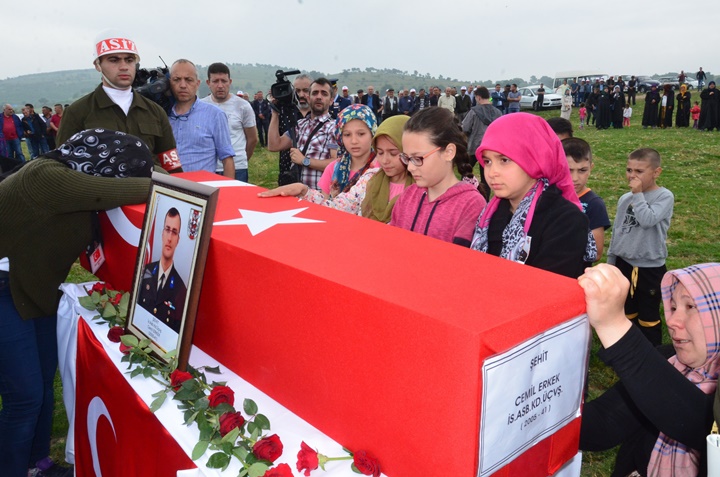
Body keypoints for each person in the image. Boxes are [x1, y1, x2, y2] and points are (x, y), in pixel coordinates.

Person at [0, 129, 154, 477]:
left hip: (30, 289)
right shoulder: (48, 177)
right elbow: (130, 190)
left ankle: (36, 464)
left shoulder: (74, 176)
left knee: (39, 386)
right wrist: (189, 189)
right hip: (5, 290)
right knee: (24, 397)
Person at [579, 262, 720, 477]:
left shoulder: (657, 374)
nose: (672, 321)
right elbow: (604, 425)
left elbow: (699, 423)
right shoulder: (668, 360)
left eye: (690, 307)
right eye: (672, 308)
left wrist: (614, 325)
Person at [470, 113, 594, 279]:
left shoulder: (566, 221)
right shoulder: (492, 214)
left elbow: (550, 291)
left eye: (504, 160)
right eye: (487, 161)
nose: (492, 173)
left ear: (534, 158)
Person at [57, 31, 181, 173]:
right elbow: (64, 166)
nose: (124, 66)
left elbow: (171, 162)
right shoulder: (77, 112)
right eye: (114, 60)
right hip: (100, 193)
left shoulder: (155, 111)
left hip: (149, 192)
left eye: (129, 60)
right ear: (98, 65)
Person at [259, 114, 414, 223]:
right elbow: (338, 207)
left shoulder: (421, 187)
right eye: (380, 152)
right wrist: (303, 191)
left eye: (394, 153)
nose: (385, 160)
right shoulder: (371, 178)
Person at [389, 107, 486, 247]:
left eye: (417, 158)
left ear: (448, 152)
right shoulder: (408, 195)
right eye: (407, 158)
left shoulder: (470, 205)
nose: (410, 167)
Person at [607, 148, 674, 347]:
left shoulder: (665, 197)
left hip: (649, 267)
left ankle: (651, 352)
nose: (632, 176)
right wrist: (612, 262)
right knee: (625, 310)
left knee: (648, 314)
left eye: (639, 171)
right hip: (624, 263)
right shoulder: (624, 199)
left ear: (656, 172)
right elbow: (618, 231)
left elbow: (647, 220)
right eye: (629, 170)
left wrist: (637, 194)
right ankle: (628, 348)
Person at [268, 77, 338, 190]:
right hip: (297, 193)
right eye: (315, 93)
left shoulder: (334, 127)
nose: (319, 97)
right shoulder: (300, 125)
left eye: (324, 94)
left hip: (319, 196)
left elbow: (336, 164)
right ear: (309, 98)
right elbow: (274, 145)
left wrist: (304, 161)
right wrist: (275, 113)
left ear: (331, 100)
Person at [168, 59, 235, 177]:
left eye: (188, 80)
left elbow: (227, 158)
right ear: (169, 82)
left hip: (202, 190)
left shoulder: (215, 115)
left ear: (197, 84)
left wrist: (228, 192)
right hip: (167, 189)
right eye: (177, 80)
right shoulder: (161, 115)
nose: (183, 85)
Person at [201, 63, 257, 183]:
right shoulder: (201, 106)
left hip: (238, 167)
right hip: (209, 167)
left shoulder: (243, 106)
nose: (220, 86)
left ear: (230, 82)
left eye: (224, 81)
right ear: (208, 82)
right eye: (215, 81)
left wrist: (242, 159)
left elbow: (252, 138)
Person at [137, 208, 188, 333]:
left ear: (178, 240)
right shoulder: (145, 271)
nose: (169, 238)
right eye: (167, 230)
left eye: (174, 232)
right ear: (162, 234)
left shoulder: (181, 290)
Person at [562, 138, 610, 265]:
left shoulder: (594, 204)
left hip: (575, 274)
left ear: (591, 168)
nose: (575, 178)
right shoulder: (547, 196)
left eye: (582, 170)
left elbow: (597, 253)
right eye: (569, 170)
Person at [316, 104, 378, 197]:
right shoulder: (332, 169)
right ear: (340, 137)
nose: (354, 141)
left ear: (372, 133)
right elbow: (324, 204)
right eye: (347, 135)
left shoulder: (382, 168)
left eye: (361, 134)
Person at [274, 73, 312, 183]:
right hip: (287, 169)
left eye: (305, 90)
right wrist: (274, 112)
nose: (301, 94)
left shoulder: (319, 114)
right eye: (298, 90)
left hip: (313, 172)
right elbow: (273, 143)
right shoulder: (285, 111)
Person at [462, 86, 502, 172]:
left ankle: (463, 185)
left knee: (466, 172)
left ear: (478, 97)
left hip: (474, 145)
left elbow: (465, 127)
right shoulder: (498, 112)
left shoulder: (473, 111)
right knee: (486, 174)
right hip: (491, 146)